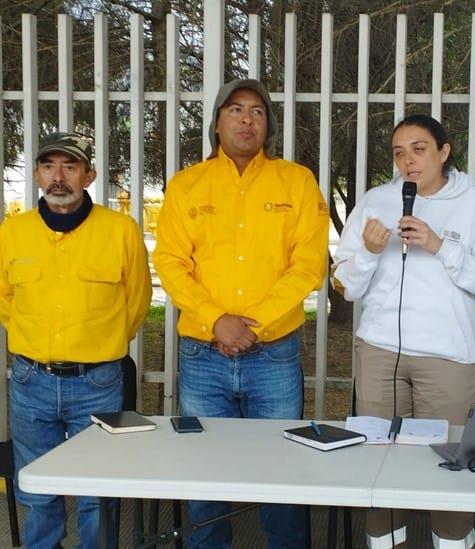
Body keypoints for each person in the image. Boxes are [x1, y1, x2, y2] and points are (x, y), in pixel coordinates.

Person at [153, 79, 329, 549]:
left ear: (268, 124)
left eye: (257, 111)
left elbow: (309, 265)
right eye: (235, 110)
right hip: (203, 354)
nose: (247, 119)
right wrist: (216, 320)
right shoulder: (187, 185)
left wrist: (253, 325)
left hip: (273, 354)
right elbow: (169, 263)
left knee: (281, 467)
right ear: (217, 122)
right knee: (204, 467)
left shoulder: (297, 181)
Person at [333, 114, 475, 549]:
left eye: (419, 148)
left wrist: (438, 245)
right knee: (380, 467)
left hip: (446, 358)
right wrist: (370, 253)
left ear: (444, 152)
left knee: (446, 466)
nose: (407, 160)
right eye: (398, 152)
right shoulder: (376, 201)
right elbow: (346, 285)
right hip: (379, 354)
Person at [0, 132, 152, 549]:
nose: (58, 177)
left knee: (96, 494)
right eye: (48, 166)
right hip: (31, 383)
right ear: (35, 175)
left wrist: (97, 344)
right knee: (37, 489)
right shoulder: (13, 232)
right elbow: (5, 299)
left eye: (70, 166)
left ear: (89, 175)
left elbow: (137, 302)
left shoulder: (120, 230)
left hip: (98, 383)